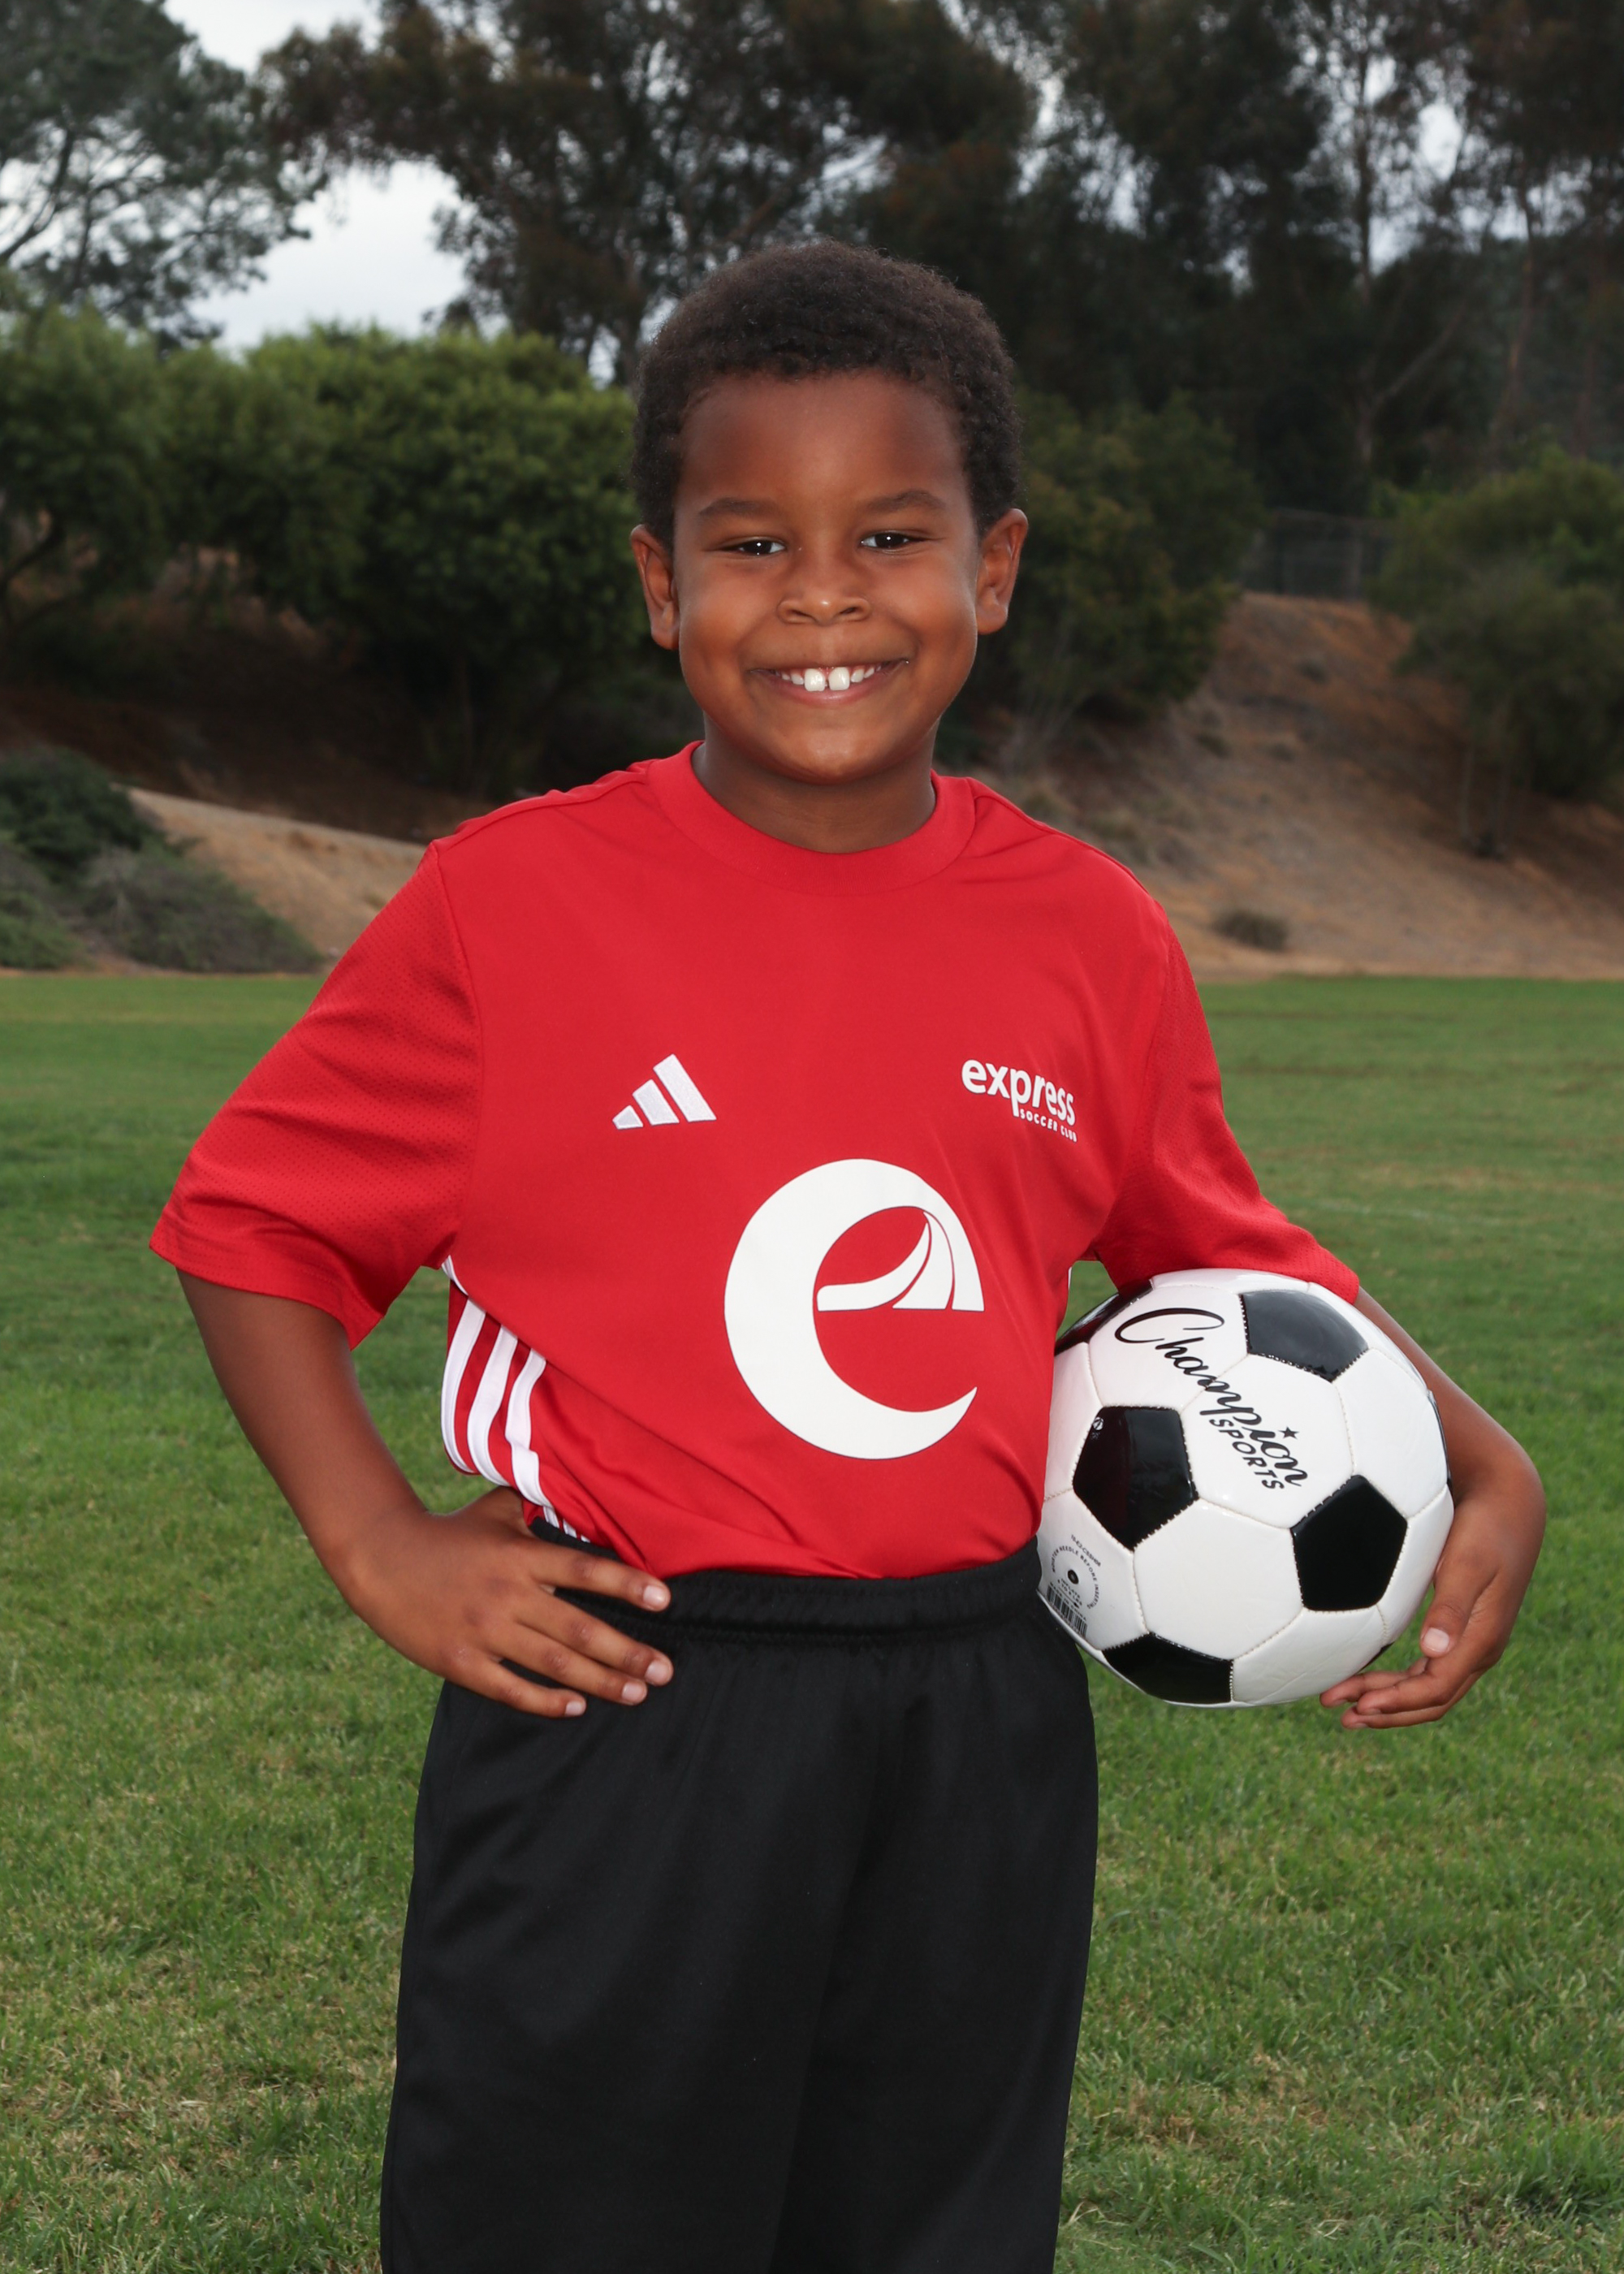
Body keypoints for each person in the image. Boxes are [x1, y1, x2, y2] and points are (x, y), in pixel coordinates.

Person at [153, 242, 1545, 2273]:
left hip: (977, 1708)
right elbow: (251, 1221)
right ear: (661, 585)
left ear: (993, 568)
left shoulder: (1086, 934)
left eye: (889, 534)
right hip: (631, 1694)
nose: (823, 595)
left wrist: (1478, 1449)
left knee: (927, 2228)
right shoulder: (514, 904)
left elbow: (1224, 1250)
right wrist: (375, 1538)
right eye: (753, 542)